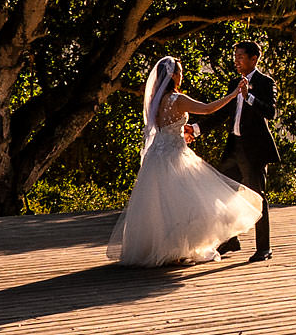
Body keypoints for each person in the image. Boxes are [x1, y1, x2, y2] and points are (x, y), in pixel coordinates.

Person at [106, 57, 266, 267]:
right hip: (175, 155)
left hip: (157, 155)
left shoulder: (156, 99)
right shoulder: (177, 99)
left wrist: (184, 133)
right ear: (172, 75)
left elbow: (165, 126)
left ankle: (163, 249)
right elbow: (208, 109)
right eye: (180, 72)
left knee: (161, 204)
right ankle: (178, 249)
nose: (182, 75)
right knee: (188, 202)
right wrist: (234, 94)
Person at [196, 39, 279, 260]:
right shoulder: (234, 82)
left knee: (257, 197)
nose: (236, 61)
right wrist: (195, 129)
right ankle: (231, 240)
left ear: (254, 59)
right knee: (221, 192)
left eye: (240, 57)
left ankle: (264, 248)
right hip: (233, 147)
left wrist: (248, 97)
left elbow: (271, 113)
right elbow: (222, 113)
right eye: (235, 57)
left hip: (254, 150)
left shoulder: (265, 82)